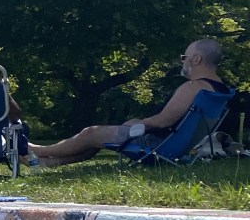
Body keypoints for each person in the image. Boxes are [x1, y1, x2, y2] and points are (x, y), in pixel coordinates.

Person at [28, 38, 231, 166]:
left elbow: (163, 121)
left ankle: (36, 150)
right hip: (174, 146)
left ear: (196, 59)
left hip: (157, 145)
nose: (182, 61)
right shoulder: (219, 90)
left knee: (90, 133)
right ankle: (46, 162)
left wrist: (139, 123)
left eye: (184, 57)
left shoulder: (193, 87)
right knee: (97, 139)